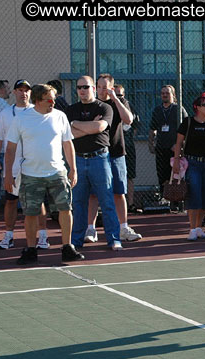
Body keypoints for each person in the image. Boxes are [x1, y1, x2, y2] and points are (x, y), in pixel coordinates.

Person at [4, 83, 85, 264]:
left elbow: (67, 143)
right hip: (30, 174)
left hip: (57, 172)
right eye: (49, 100)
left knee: (65, 209)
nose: (53, 103)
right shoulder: (21, 119)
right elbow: (10, 149)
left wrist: (73, 169)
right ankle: (31, 250)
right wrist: (8, 174)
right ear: (38, 100)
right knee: (31, 212)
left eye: (54, 99)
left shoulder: (60, 116)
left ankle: (67, 247)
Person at [66, 75, 123, 251]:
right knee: (78, 203)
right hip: (79, 159)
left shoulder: (105, 107)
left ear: (93, 88)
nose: (82, 90)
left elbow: (99, 128)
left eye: (86, 87)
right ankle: (76, 241)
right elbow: (69, 134)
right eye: (79, 87)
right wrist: (87, 126)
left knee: (107, 201)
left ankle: (114, 239)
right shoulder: (71, 110)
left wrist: (77, 125)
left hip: (100, 159)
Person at [84, 73, 141, 243]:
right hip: (97, 155)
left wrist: (115, 98)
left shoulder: (119, 102)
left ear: (111, 87)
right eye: (99, 87)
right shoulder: (92, 104)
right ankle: (90, 229)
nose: (101, 91)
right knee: (93, 194)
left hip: (116, 154)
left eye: (105, 87)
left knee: (119, 192)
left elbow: (129, 120)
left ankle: (123, 228)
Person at [0, 79, 50, 250]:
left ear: (30, 93)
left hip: (34, 166)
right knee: (11, 201)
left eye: (26, 90)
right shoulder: (5, 114)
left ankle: (42, 236)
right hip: (13, 166)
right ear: (14, 93)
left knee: (38, 201)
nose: (23, 93)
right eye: (20, 90)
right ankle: (9, 236)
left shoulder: (37, 113)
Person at [172, 92, 205, 240]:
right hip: (192, 163)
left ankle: (199, 227)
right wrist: (176, 160)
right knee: (194, 195)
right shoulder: (188, 122)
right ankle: (192, 228)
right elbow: (179, 142)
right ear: (198, 107)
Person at [149, 85, 188, 203]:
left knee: (176, 174)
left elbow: (186, 128)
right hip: (161, 147)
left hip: (174, 148)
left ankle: (177, 199)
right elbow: (152, 128)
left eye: (167, 93)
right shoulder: (157, 110)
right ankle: (164, 197)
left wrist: (181, 146)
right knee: (162, 174)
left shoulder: (178, 109)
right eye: (162, 93)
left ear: (173, 95)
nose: (164, 95)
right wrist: (150, 143)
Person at [114, 84, 140, 213]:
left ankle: (130, 204)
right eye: (116, 95)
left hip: (128, 146)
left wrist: (127, 139)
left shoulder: (130, 107)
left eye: (121, 95)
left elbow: (135, 126)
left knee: (129, 176)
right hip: (114, 147)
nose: (119, 98)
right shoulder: (109, 106)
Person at [0, 79, 11, 212]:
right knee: (7, 175)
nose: (9, 91)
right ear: (1, 90)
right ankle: (13, 203)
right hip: (3, 146)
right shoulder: (3, 106)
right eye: (7, 88)